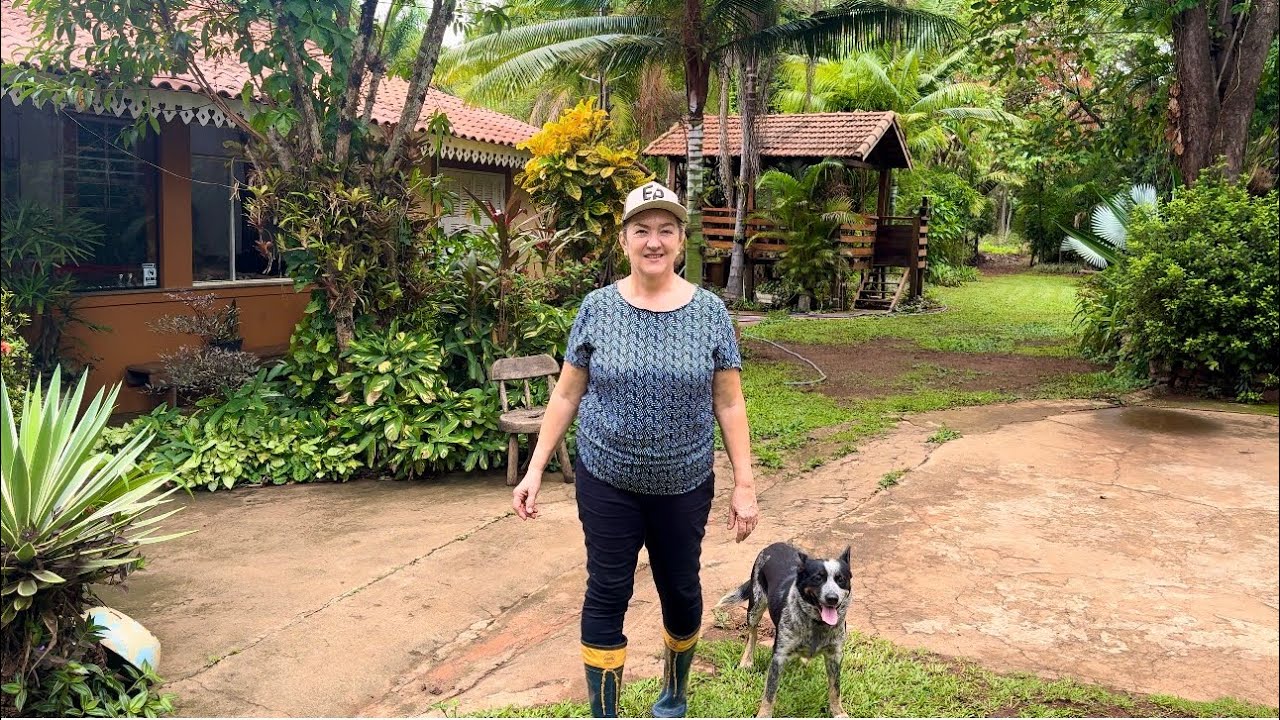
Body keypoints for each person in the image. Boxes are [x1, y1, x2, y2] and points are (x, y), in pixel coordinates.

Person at [511, 180, 760, 718]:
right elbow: (567, 393)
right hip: (607, 479)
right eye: (642, 230)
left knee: (681, 590)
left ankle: (673, 696)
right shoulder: (597, 308)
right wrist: (534, 470)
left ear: (681, 240)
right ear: (623, 240)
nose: (654, 241)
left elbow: (729, 402)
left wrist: (744, 483)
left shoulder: (710, 313)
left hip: (684, 483)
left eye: (666, 230)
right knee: (607, 590)